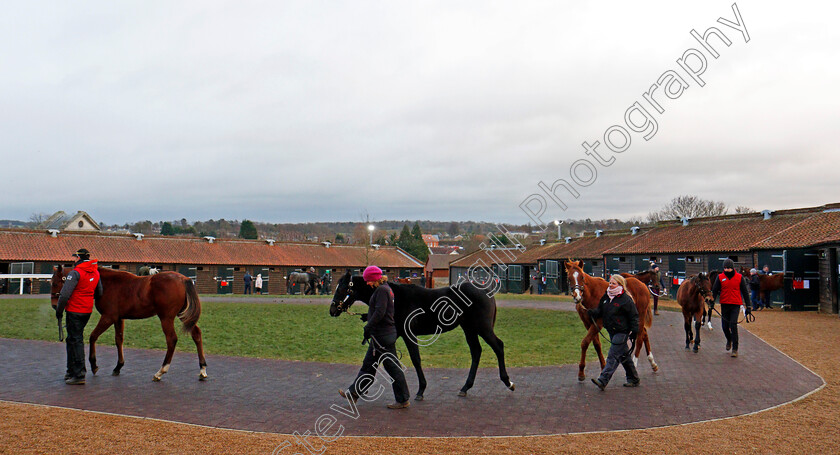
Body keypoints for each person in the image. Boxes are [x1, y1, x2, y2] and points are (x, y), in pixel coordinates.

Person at [339, 265, 411, 409]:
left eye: (369, 280)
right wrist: (369, 319)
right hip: (381, 336)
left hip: (383, 337)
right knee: (368, 366)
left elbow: (380, 312)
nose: (367, 283)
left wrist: (368, 326)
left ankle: (403, 399)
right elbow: (380, 311)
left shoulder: (382, 291)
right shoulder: (384, 289)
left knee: (392, 368)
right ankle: (353, 393)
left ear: (375, 279)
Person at [55, 248, 103, 385]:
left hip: (74, 310)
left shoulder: (75, 273)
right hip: (86, 311)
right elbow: (99, 292)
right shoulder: (95, 272)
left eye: (75, 257)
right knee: (73, 339)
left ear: (79, 258)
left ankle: (79, 374)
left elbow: (64, 294)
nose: (73, 259)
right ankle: (71, 371)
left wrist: (59, 310)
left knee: (75, 340)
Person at [588, 274, 640, 390]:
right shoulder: (606, 297)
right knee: (624, 356)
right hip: (611, 330)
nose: (610, 285)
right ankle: (634, 378)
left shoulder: (626, 299)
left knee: (613, 355)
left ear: (620, 285)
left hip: (622, 331)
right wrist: (593, 313)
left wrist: (634, 331)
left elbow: (634, 316)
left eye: (613, 283)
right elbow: (601, 310)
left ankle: (603, 380)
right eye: (610, 283)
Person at [711, 259, 751, 358]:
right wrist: (711, 302)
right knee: (724, 327)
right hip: (724, 304)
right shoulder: (720, 277)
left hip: (735, 304)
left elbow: (745, 292)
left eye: (729, 268)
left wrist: (748, 306)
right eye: (725, 268)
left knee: (733, 325)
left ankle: (735, 348)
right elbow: (715, 291)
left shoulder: (739, 277)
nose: (727, 270)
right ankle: (729, 340)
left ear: (732, 268)